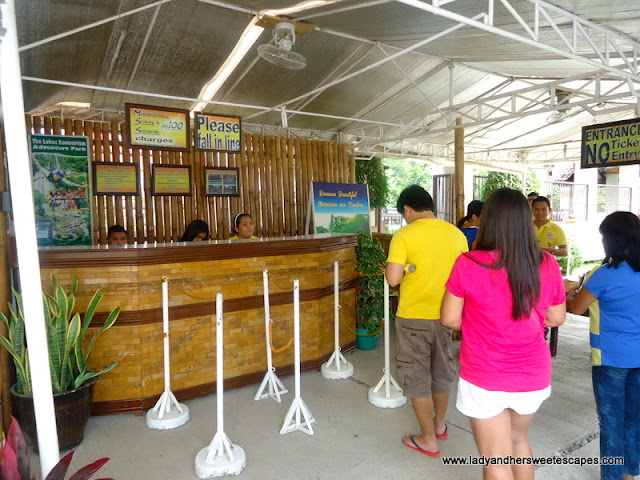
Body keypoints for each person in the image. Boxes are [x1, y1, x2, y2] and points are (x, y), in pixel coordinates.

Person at [441, 188, 566, 480]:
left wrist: (479, 321)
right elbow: (556, 317)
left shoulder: (469, 262)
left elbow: (449, 318)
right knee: (519, 441)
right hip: (532, 373)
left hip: (485, 374)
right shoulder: (546, 262)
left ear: (488, 221)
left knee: (496, 461)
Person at [385, 185, 468, 457]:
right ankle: (440, 425)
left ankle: (428, 439)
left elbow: (393, 279)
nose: (405, 219)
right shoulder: (457, 234)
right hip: (447, 316)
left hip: (413, 317)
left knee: (417, 376)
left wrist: (407, 269)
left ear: (408, 209)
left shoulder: (404, 235)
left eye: (403, 214)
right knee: (442, 370)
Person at [567, 211, 640, 480]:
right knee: (635, 418)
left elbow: (576, 307)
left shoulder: (605, 274)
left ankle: (611, 476)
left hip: (610, 357)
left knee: (611, 422)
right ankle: (630, 473)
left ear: (610, 240)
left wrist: (567, 292)